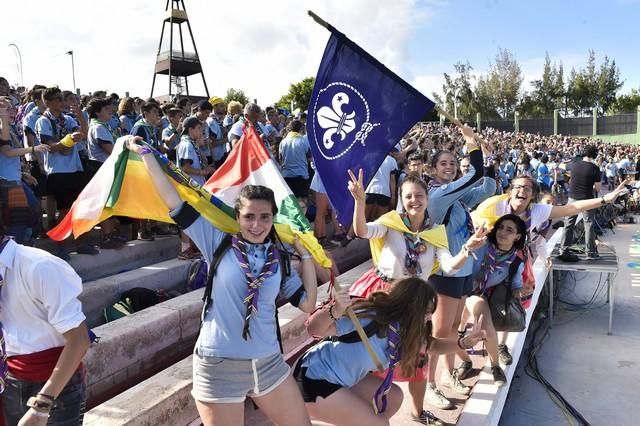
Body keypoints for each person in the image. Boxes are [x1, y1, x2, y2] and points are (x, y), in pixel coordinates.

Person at [124, 136, 318, 426]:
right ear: (237, 217)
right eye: (249, 216)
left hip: (267, 364)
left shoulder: (278, 258)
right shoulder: (217, 241)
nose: (257, 225)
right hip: (219, 366)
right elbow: (174, 202)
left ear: (273, 219)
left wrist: (307, 258)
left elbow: (308, 304)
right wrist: (147, 156)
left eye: (265, 217)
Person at [299, 277, 486, 426]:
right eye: (426, 311)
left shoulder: (407, 330)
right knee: (378, 424)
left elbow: (433, 346)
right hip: (314, 379)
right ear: (407, 306)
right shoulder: (370, 316)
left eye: (431, 312)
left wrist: (464, 342)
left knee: (394, 397)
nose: (429, 318)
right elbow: (314, 330)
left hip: (343, 379)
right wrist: (335, 310)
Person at [423, 125, 496, 411]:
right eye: (444, 163)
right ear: (432, 169)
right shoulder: (438, 197)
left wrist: (488, 158)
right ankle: (430, 385)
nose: (450, 167)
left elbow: (487, 187)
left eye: (453, 163)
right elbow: (474, 175)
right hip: (445, 273)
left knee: (453, 329)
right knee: (440, 333)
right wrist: (471, 145)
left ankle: (449, 373)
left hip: (464, 270)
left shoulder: (458, 199)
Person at [0, 219, 91, 425]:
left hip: (56, 386)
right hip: (10, 379)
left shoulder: (40, 266)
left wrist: (43, 403)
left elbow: (79, 339)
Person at [465, 214, 527, 388]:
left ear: (517, 237)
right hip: (461, 289)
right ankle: (463, 362)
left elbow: (514, 290)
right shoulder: (482, 245)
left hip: (480, 295)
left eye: (510, 230)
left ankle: (495, 367)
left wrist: (523, 290)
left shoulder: (516, 261)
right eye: (501, 227)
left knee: (485, 323)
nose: (503, 232)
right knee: (454, 331)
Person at [557, 145, 603, 261]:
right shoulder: (595, 168)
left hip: (572, 198)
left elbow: (561, 166)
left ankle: (563, 249)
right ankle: (590, 252)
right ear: (594, 155)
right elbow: (597, 188)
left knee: (568, 224)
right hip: (587, 199)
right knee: (589, 225)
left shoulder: (574, 164)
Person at [279, 119, 312, 201]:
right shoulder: (304, 141)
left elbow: (280, 159)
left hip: (286, 176)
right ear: (300, 129)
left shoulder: (283, 142)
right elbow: (310, 158)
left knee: (291, 203)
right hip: (301, 176)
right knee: (302, 203)